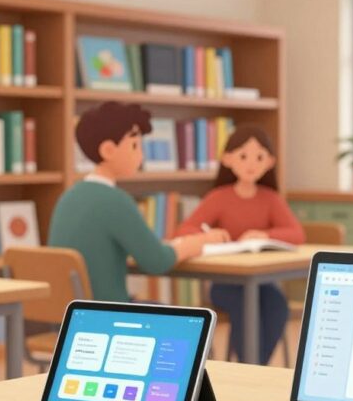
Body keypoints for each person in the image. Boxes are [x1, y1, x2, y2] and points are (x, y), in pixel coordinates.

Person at [49, 101, 228, 302]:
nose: (141, 155)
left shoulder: (70, 196)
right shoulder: (115, 201)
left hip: (68, 313)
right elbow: (157, 261)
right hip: (106, 312)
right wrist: (199, 242)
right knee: (185, 320)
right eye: (135, 146)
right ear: (108, 150)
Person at [176, 125, 305, 365]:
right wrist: (209, 236)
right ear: (227, 159)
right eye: (243, 156)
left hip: (263, 284)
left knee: (277, 306)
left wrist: (265, 235)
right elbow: (185, 230)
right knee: (246, 309)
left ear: (270, 162)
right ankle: (251, 365)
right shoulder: (219, 197)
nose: (251, 164)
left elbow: (296, 233)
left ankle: (255, 366)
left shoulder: (270, 199)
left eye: (259, 157)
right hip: (226, 284)